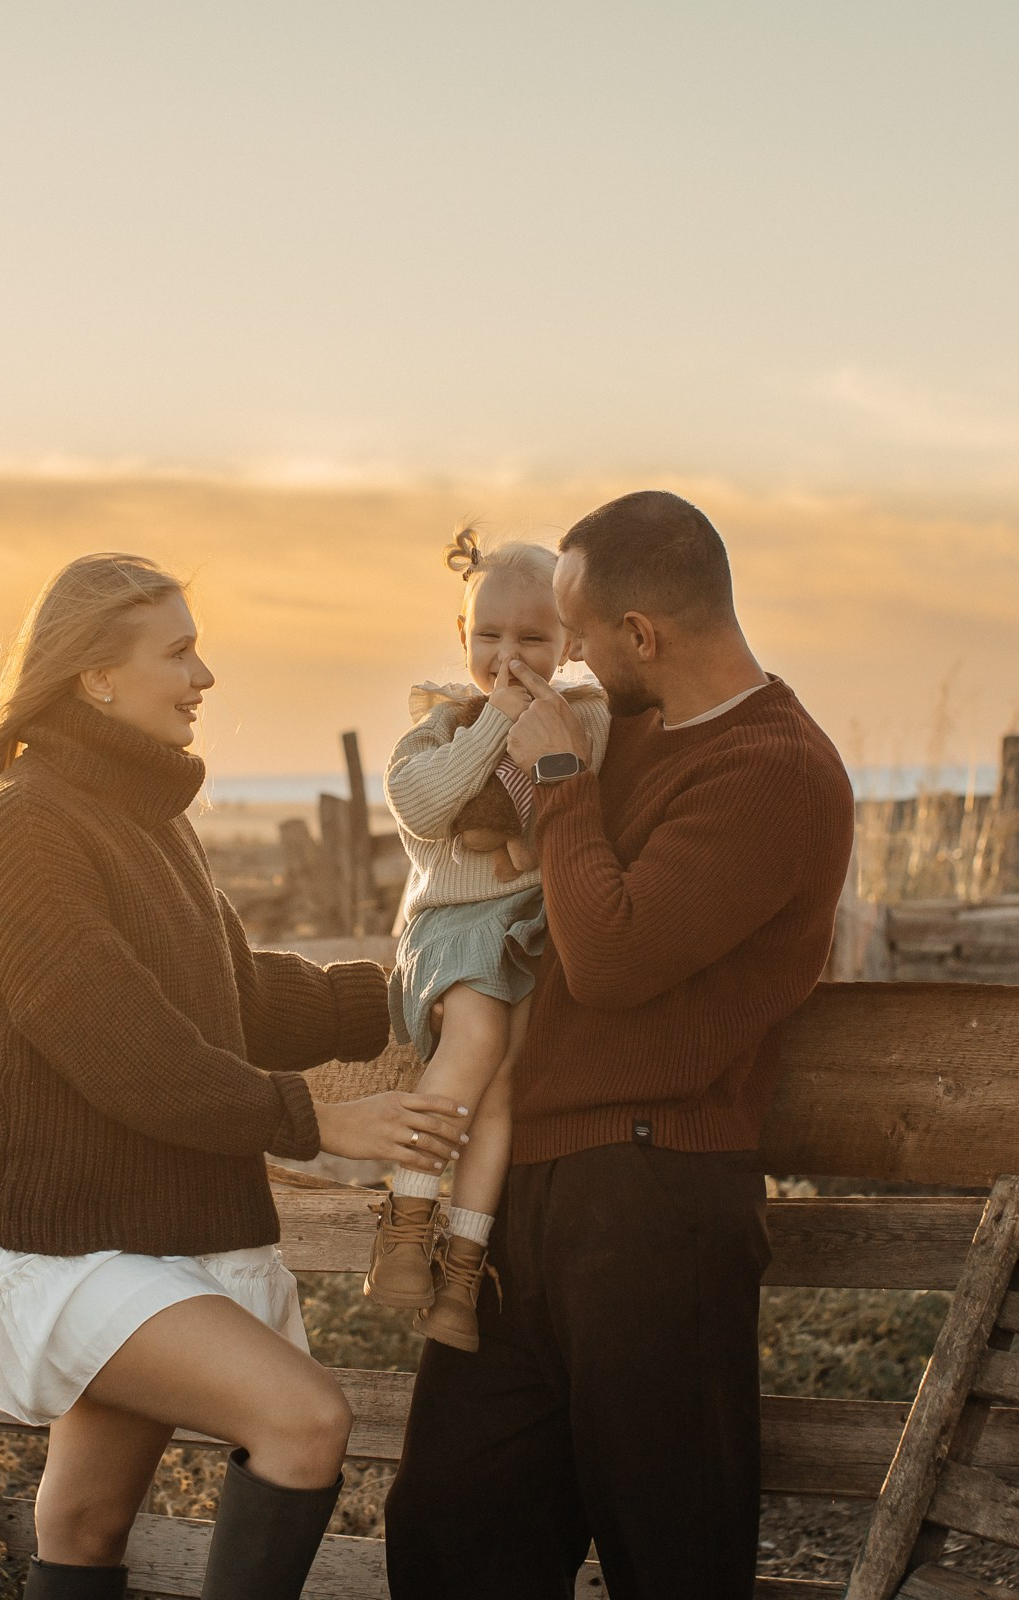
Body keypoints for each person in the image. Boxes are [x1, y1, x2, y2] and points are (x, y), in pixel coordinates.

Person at [0, 552, 470, 1600]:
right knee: (304, 1420)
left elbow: (238, 996)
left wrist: (408, 995)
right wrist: (317, 1119)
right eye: (177, 653)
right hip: (64, 1244)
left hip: (143, 1224)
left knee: (83, 1522)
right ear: (96, 677)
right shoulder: (27, 824)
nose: (204, 677)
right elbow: (130, 1051)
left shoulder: (148, 816)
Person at [384, 493, 856, 1598]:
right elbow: (489, 873)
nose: (567, 662)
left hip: (654, 1205)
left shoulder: (774, 770)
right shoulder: (613, 729)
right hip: (525, 1198)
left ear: (639, 633)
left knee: (669, 1556)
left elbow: (610, 955)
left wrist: (558, 780)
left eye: (580, 634)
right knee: (450, 1532)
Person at [366, 528, 610, 1352]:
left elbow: (587, 803)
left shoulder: (586, 717)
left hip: (530, 932)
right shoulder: (439, 724)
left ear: (571, 642)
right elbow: (424, 807)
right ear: (462, 634)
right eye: (489, 636)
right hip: (455, 926)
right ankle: (407, 1225)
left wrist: (550, 733)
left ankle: (461, 1274)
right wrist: (492, 723)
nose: (508, 657)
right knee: (472, 1043)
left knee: (503, 1087)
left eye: (534, 639)